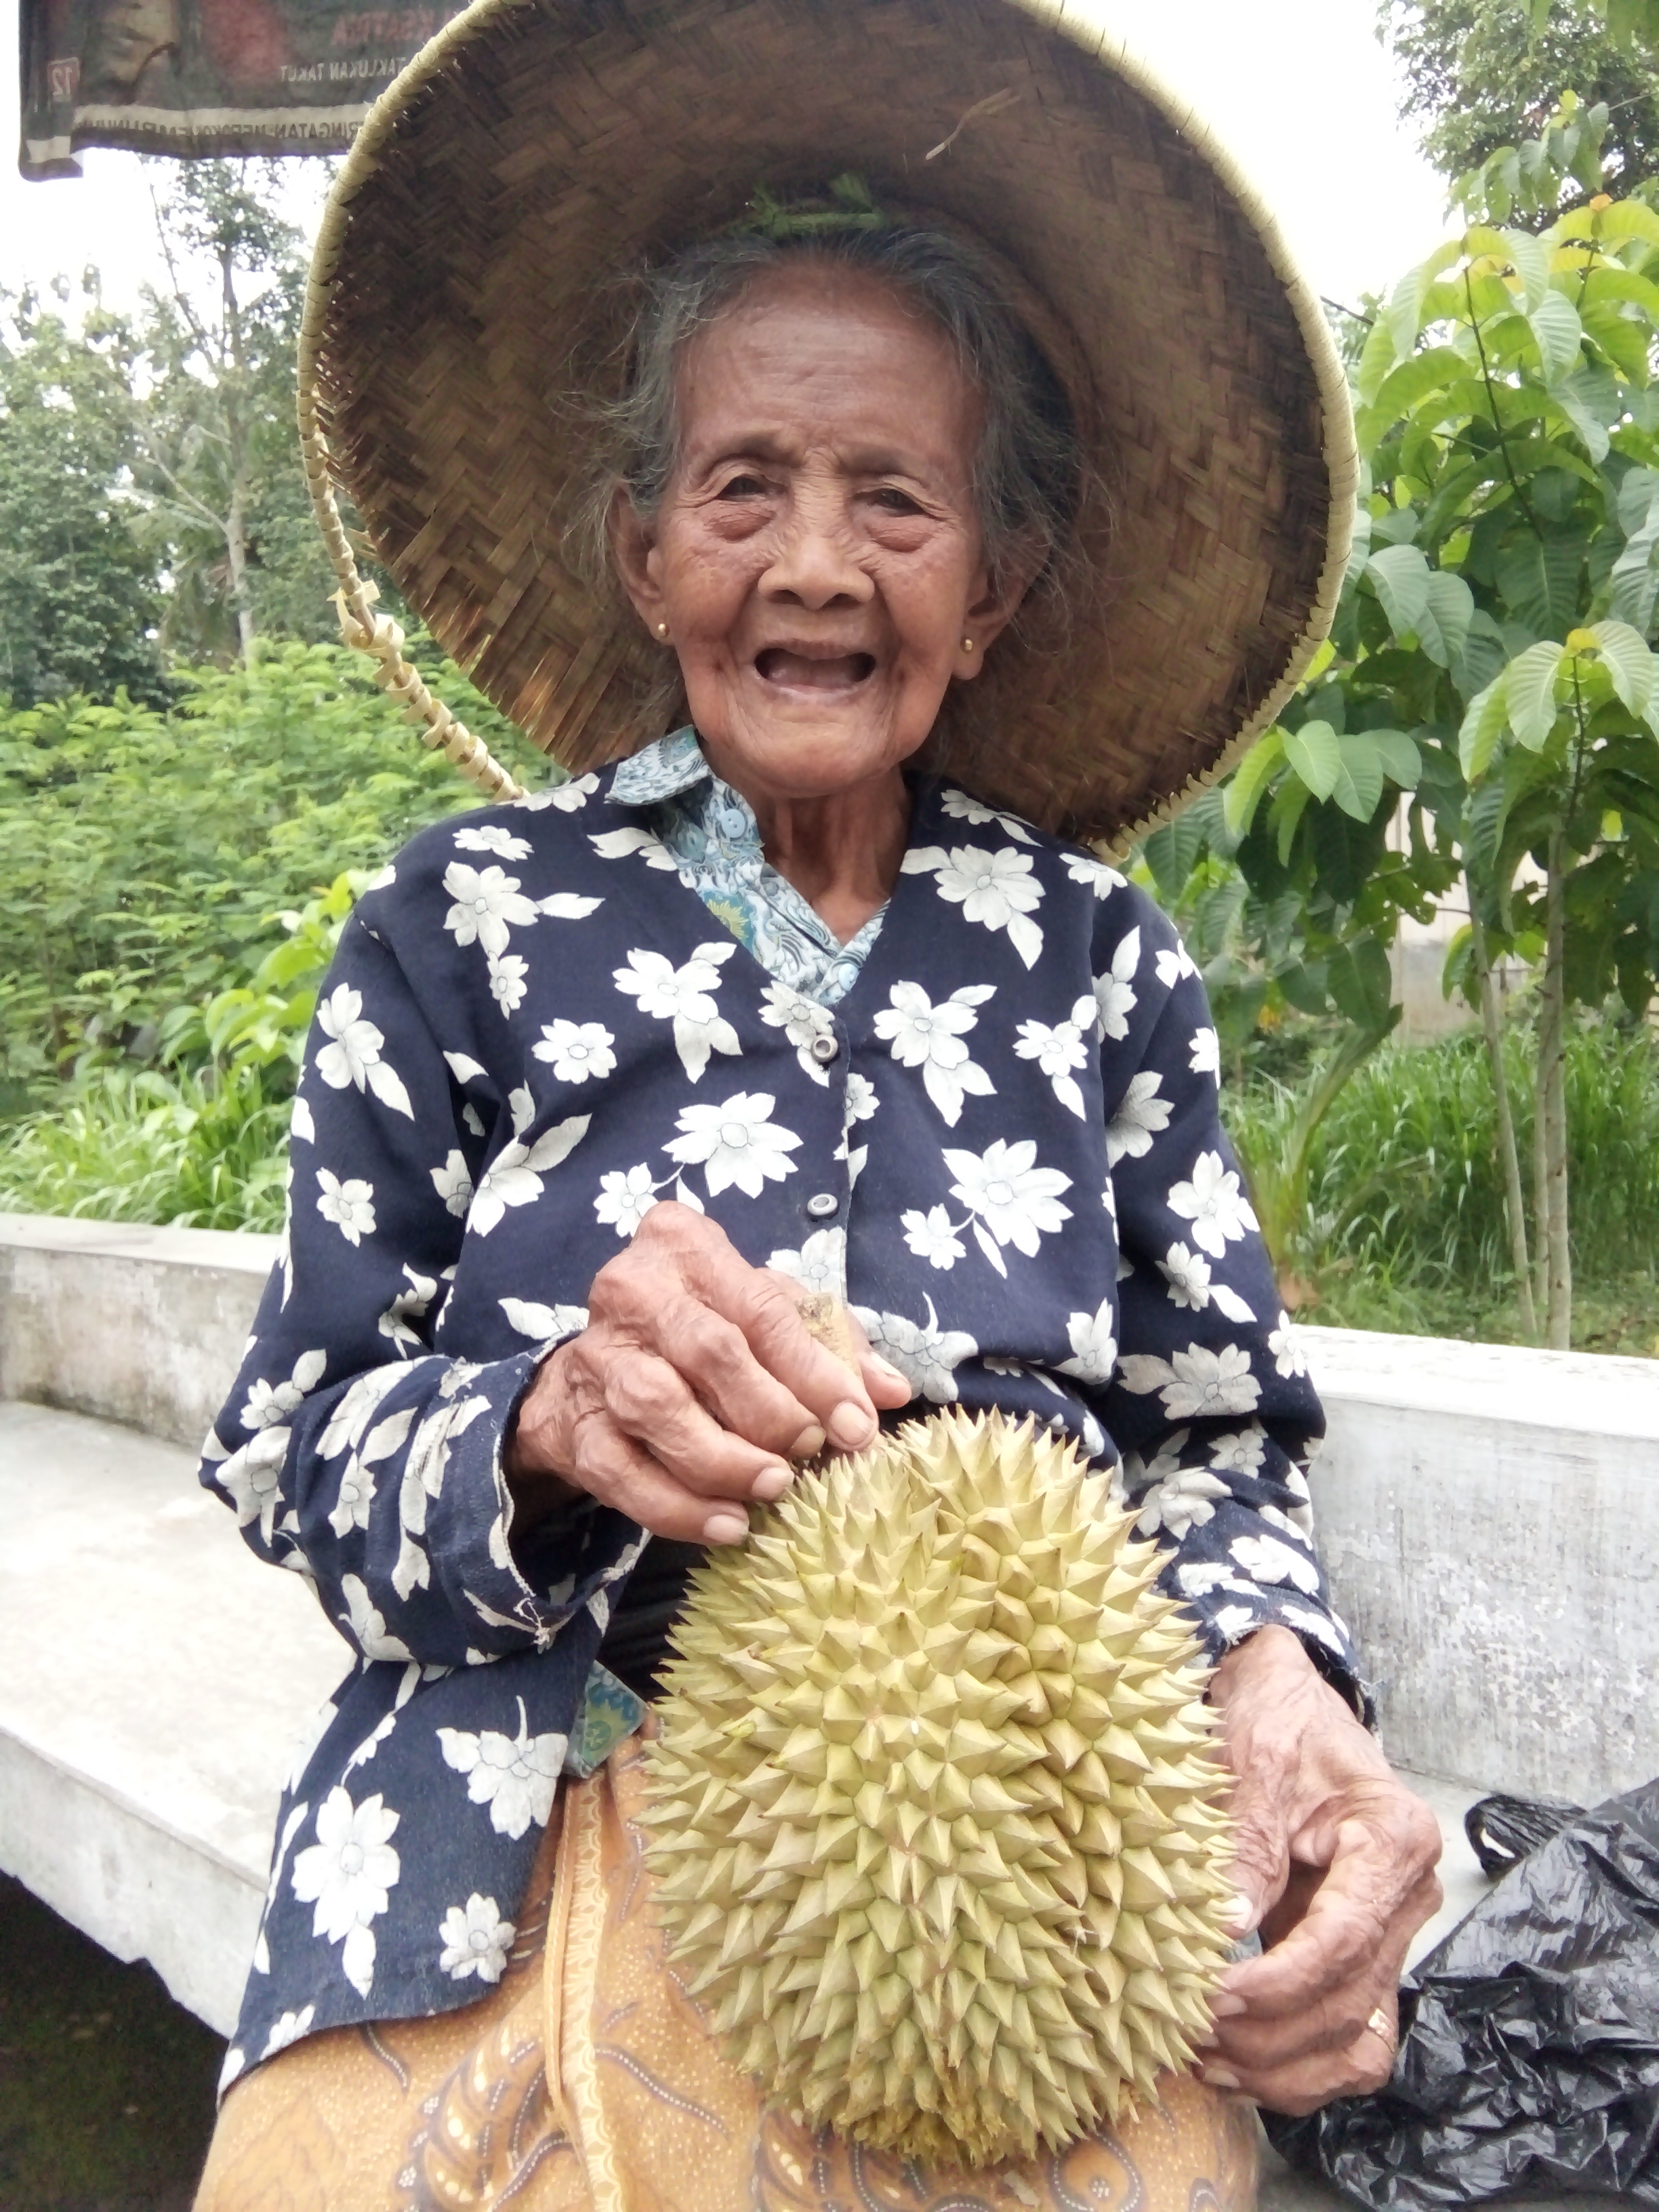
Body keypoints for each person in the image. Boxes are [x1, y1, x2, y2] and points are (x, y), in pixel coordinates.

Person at [192, 0, 1442, 2197]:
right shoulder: (462, 916)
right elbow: (299, 1431)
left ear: (996, 581)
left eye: (897, 500)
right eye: (741, 488)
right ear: (641, 551)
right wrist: (544, 1427)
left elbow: (1217, 1430)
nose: (814, 564)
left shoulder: (1094, 954)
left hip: (1030, 1877)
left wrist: (1278, 1681)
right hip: (505, 1809)